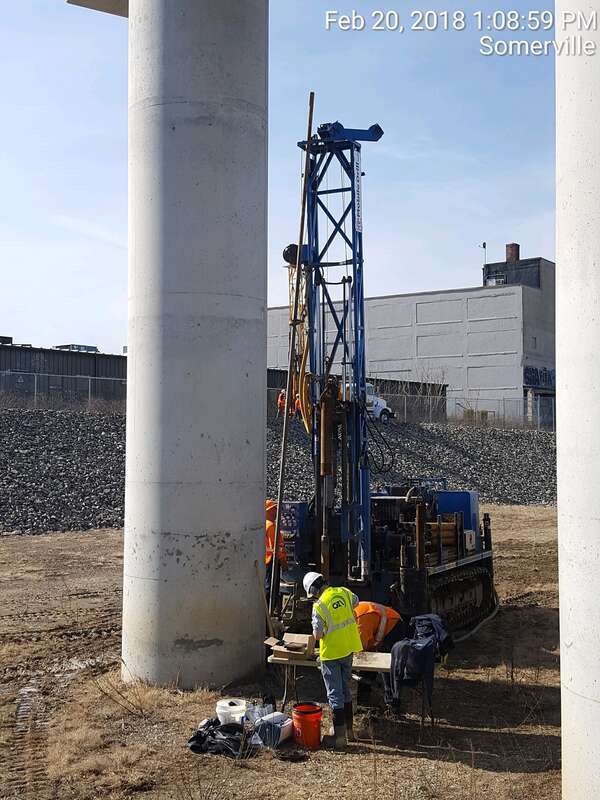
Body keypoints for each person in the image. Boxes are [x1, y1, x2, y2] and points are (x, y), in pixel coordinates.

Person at [303, 571, 363, 747]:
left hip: (331, 654)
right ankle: (349, 732)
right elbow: (356, 602)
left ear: (313, 591)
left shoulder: (319, 606)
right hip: (348, 649)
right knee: (345, 690)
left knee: (335, 694)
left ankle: (339, 739)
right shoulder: (344, 592)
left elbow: (318, 634)